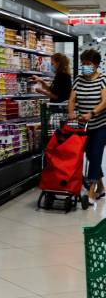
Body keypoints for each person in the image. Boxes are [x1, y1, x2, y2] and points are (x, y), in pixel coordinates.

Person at [68, 49, 106, 202]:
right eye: (83, 64)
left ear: (96, 65)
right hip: (83, 126)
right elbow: (72, 98)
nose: (85, 67)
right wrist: (71, 111)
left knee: (96, 154)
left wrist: (92, 113)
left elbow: (105, 101)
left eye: (88, 64)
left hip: (101, 124)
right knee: (90, 155)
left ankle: (91, 191)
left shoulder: (103, 79)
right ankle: (102, 187)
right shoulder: (78, 79)